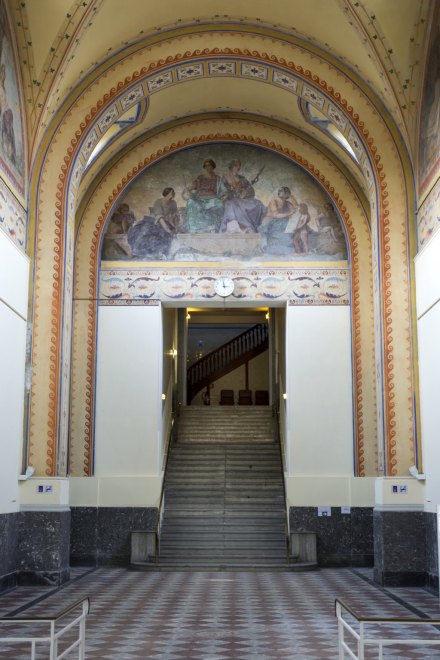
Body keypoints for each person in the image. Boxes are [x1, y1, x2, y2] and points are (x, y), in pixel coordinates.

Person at [127, 187, 180, 259]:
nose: (173, 194)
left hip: (166, 222)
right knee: (144, 231)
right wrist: (167, 229)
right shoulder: (158, 202)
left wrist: (175, 227)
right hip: (153, 221)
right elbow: (159, 218)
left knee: (167, 236)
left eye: (173, 193)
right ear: (166, 194)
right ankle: (136, 252)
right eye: (171, 193)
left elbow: (175, 216)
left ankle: (162, 254)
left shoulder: (173, 203)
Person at [220, 159, 266, 232]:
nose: (237, 168)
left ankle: (259, 226)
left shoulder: (242, 178)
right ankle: (244, 226)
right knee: (232, 204)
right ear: (231, 166)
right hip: (231, 198)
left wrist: (245, 193)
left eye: (238, 166)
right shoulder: (225, 177)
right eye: (235, 165)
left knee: (258, 203)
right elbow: (222, 190)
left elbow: (251, 190)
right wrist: (231, 192)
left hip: (242, 199)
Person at [184, 159, 228, 232]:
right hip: (199, 199)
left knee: (219, 204)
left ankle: (213, 228)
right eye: (205, 166)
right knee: (191, 202)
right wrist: (188, 190)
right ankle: (194, 229)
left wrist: (223, 199)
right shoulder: (200, 178)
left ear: (213, 166)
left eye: (209, 165)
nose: (207, 167)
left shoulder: (218, 179)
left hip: (212, 199)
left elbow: (224, 191)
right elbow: (192, 187)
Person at [262, 186, 299, 254]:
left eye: (283, 191)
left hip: (281, 222)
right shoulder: (274, 201)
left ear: (287, 193)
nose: (280, 192)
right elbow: (276, 215)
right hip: (271, 222)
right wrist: (289, 213)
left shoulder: (287, 203)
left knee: (294, 227)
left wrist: (293, 198)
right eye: (280, 190)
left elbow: (297, 209)